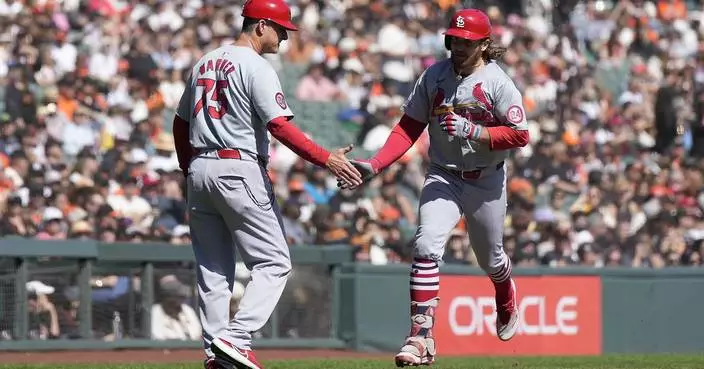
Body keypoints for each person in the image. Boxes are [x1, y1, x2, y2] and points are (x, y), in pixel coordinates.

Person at [170, 0, 362, 368]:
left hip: (200, 169)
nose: (285, 38)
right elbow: (279, 126)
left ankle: (216, 355)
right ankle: (237, 337)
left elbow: (180, 123)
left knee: (213, 271)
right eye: (280, 29)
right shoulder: (255, 65)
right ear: (259, 26)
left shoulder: (205, 61)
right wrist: (328, 158)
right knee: (274, 262)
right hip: (238, 167)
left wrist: (188, 170)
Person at [339, 9, 527, 367]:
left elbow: (520, 134)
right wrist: (375, 164)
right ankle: (420, 337)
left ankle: (505, 290)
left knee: (490, 258)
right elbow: (409, 125)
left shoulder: (499, 83)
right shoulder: (434, 75)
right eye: (454, 39)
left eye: (466, 42)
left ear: (484, 45)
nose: (457, 46)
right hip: (444, 174)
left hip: (486, 180)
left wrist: (475, 132)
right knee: (425, 246)